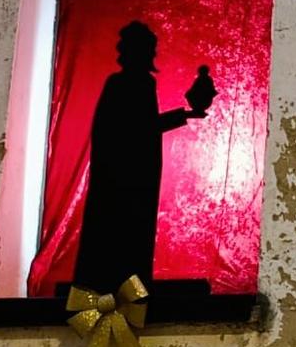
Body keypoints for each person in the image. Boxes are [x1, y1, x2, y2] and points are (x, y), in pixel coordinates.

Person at [71, 21, 213, 292]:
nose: (153, 54)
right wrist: (181, 116)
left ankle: (122, 288)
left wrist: (182, 115)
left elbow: (138, 127)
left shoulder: (135, 83)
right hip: (127, 178)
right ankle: (120, 290)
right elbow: (135, 129)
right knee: (126, 235)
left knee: (130, 235)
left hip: (131, 175)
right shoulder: (130, 83)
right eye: (149, 49)